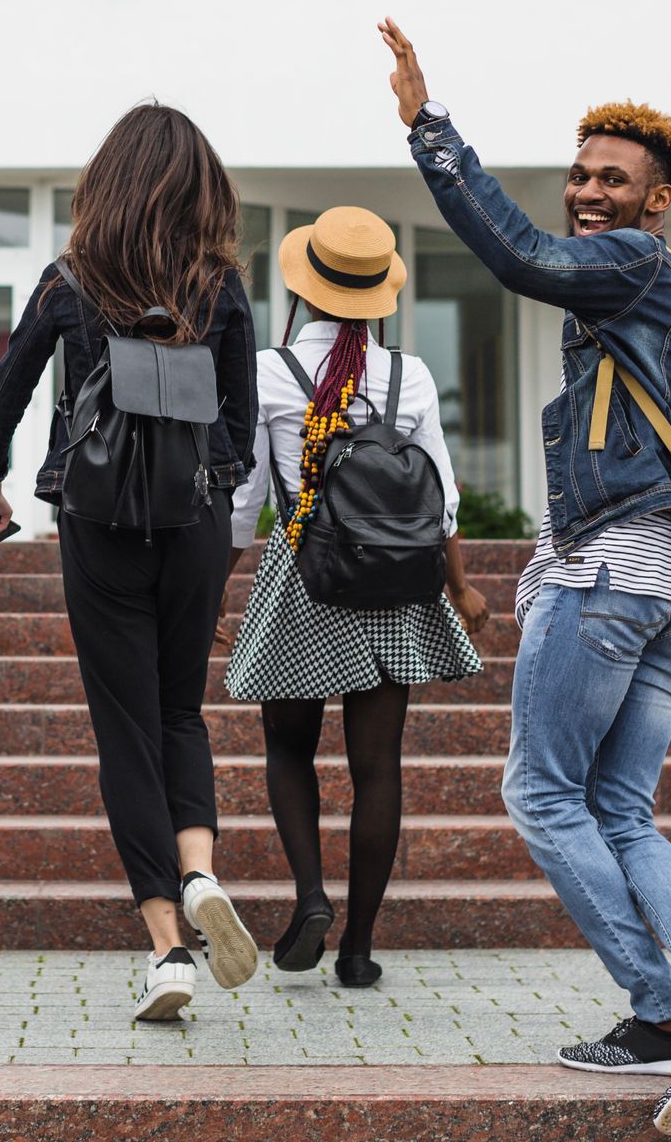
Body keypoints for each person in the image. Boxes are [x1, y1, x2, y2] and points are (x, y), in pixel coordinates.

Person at [379, 17, 671, 1137]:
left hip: (610, 574)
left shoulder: (628, 264)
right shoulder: (662, 287)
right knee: (617, 805)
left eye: (612, 177)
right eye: (578, 172)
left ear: (657, 199)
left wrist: (432, 130)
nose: (586, 189)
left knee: (539, 790)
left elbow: (521, 258)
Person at [0, 103, 261, 1022]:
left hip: (97, 521)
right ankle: (203, 868)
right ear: (201, 186)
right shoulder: (223, 287)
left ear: (108, 184)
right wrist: (202, 489)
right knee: (180, 711)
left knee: (124, 726)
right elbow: (241, 435)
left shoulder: (70, 278)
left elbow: (5, 393)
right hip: (196, 520)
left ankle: (169, 949)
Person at [224, 206, 488, 989]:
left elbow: (244, 503)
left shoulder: (269, 373)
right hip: (397, 586)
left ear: (303, 292)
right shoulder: (410, 375)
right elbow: (440, 502)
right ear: (380, 296)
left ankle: (310, 897)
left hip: (305, 577)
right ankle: (360, 948)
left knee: (287, 748)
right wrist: (463, 588)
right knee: (379, 769)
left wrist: (214, 593)